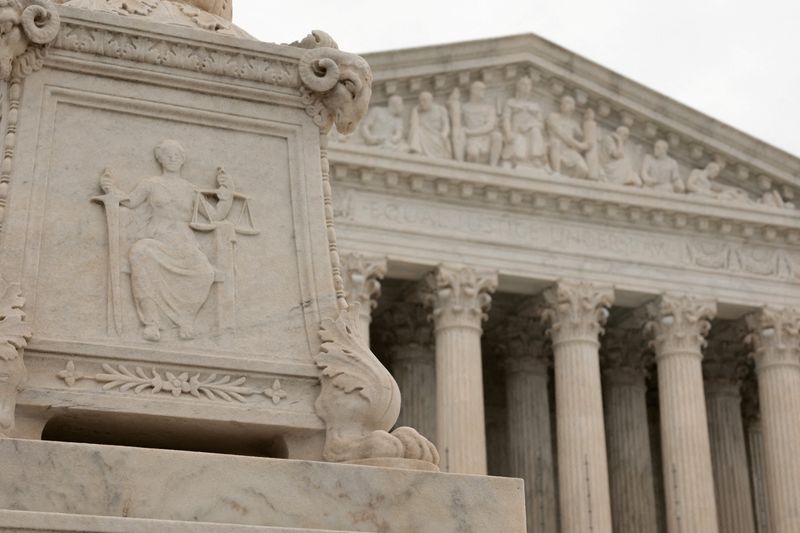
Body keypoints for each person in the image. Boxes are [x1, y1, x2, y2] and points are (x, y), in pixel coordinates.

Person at [102, 140, 233, 342]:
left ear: (182, 160)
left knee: (204, 271)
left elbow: (214, 216)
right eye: (168, 154)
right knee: (140, 252)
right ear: (160, 158)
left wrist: (227, 195)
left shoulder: (191, 189)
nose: (173, 158)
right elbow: (130, 201)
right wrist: (110, 190)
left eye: (177, 155)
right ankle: (152, 322)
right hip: (158, 239)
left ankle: (186, 319)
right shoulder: (150, 184)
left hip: (185, 244)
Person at [501, 76, 546, 168]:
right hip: (516, 131)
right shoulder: (511, 102)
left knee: (536, 131)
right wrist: (508, 132)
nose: (526, 86)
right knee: (518, 141)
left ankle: (535, 158)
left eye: (529, 84)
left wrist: (530, 126)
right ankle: (513, 160)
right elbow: (506, 118)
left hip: (531, 133)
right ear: (518, 86)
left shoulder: (535, 105)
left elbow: (541, 124)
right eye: (523, 84)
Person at [454, 81, 502, 166]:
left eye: (484, 89)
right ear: (473, 90)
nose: (483, 91)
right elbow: (457, 125)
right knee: (473, 153)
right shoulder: (464, 107)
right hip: (471, 140)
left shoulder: (489, 107)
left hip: (485, 138)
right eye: (481, 89)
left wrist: (470, 132)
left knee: (497, 136)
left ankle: (493, 167)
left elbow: (490, 126)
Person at [546, 95, 589, 178]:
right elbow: (560, 133)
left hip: (568, 150)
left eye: (569, 102)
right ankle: (556, 172)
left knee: (583, 169)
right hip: (555, 147)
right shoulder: (553, 116)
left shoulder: (574, 124)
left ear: (573, 107)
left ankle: (570, 183)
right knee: (556, 142)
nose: (565, 104)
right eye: (563, 102)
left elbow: (584, 138)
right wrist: (578, 145)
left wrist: (587, 121)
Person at [408, 91, 452, 159]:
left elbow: (446, 125)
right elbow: (414, 126)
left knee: (421, 131)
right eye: (420, 101)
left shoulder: (440, 109)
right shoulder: (420, 113)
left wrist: (444, 134)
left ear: (431, 100)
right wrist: (415, 110)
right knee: (418, 130)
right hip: (424, 136)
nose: (422, 103)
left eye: (424, 100)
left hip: (437, 136)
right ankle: (416, 150)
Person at [686, 162, 751, 203]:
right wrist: (704, 192)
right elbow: (689, 185)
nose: (716, 174)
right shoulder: (697, 172)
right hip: (697, 196)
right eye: (716, 171)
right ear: (710, 168)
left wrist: (736, 189)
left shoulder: (709, 182)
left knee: (728, 194)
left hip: (707, 197)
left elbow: (722, 187)